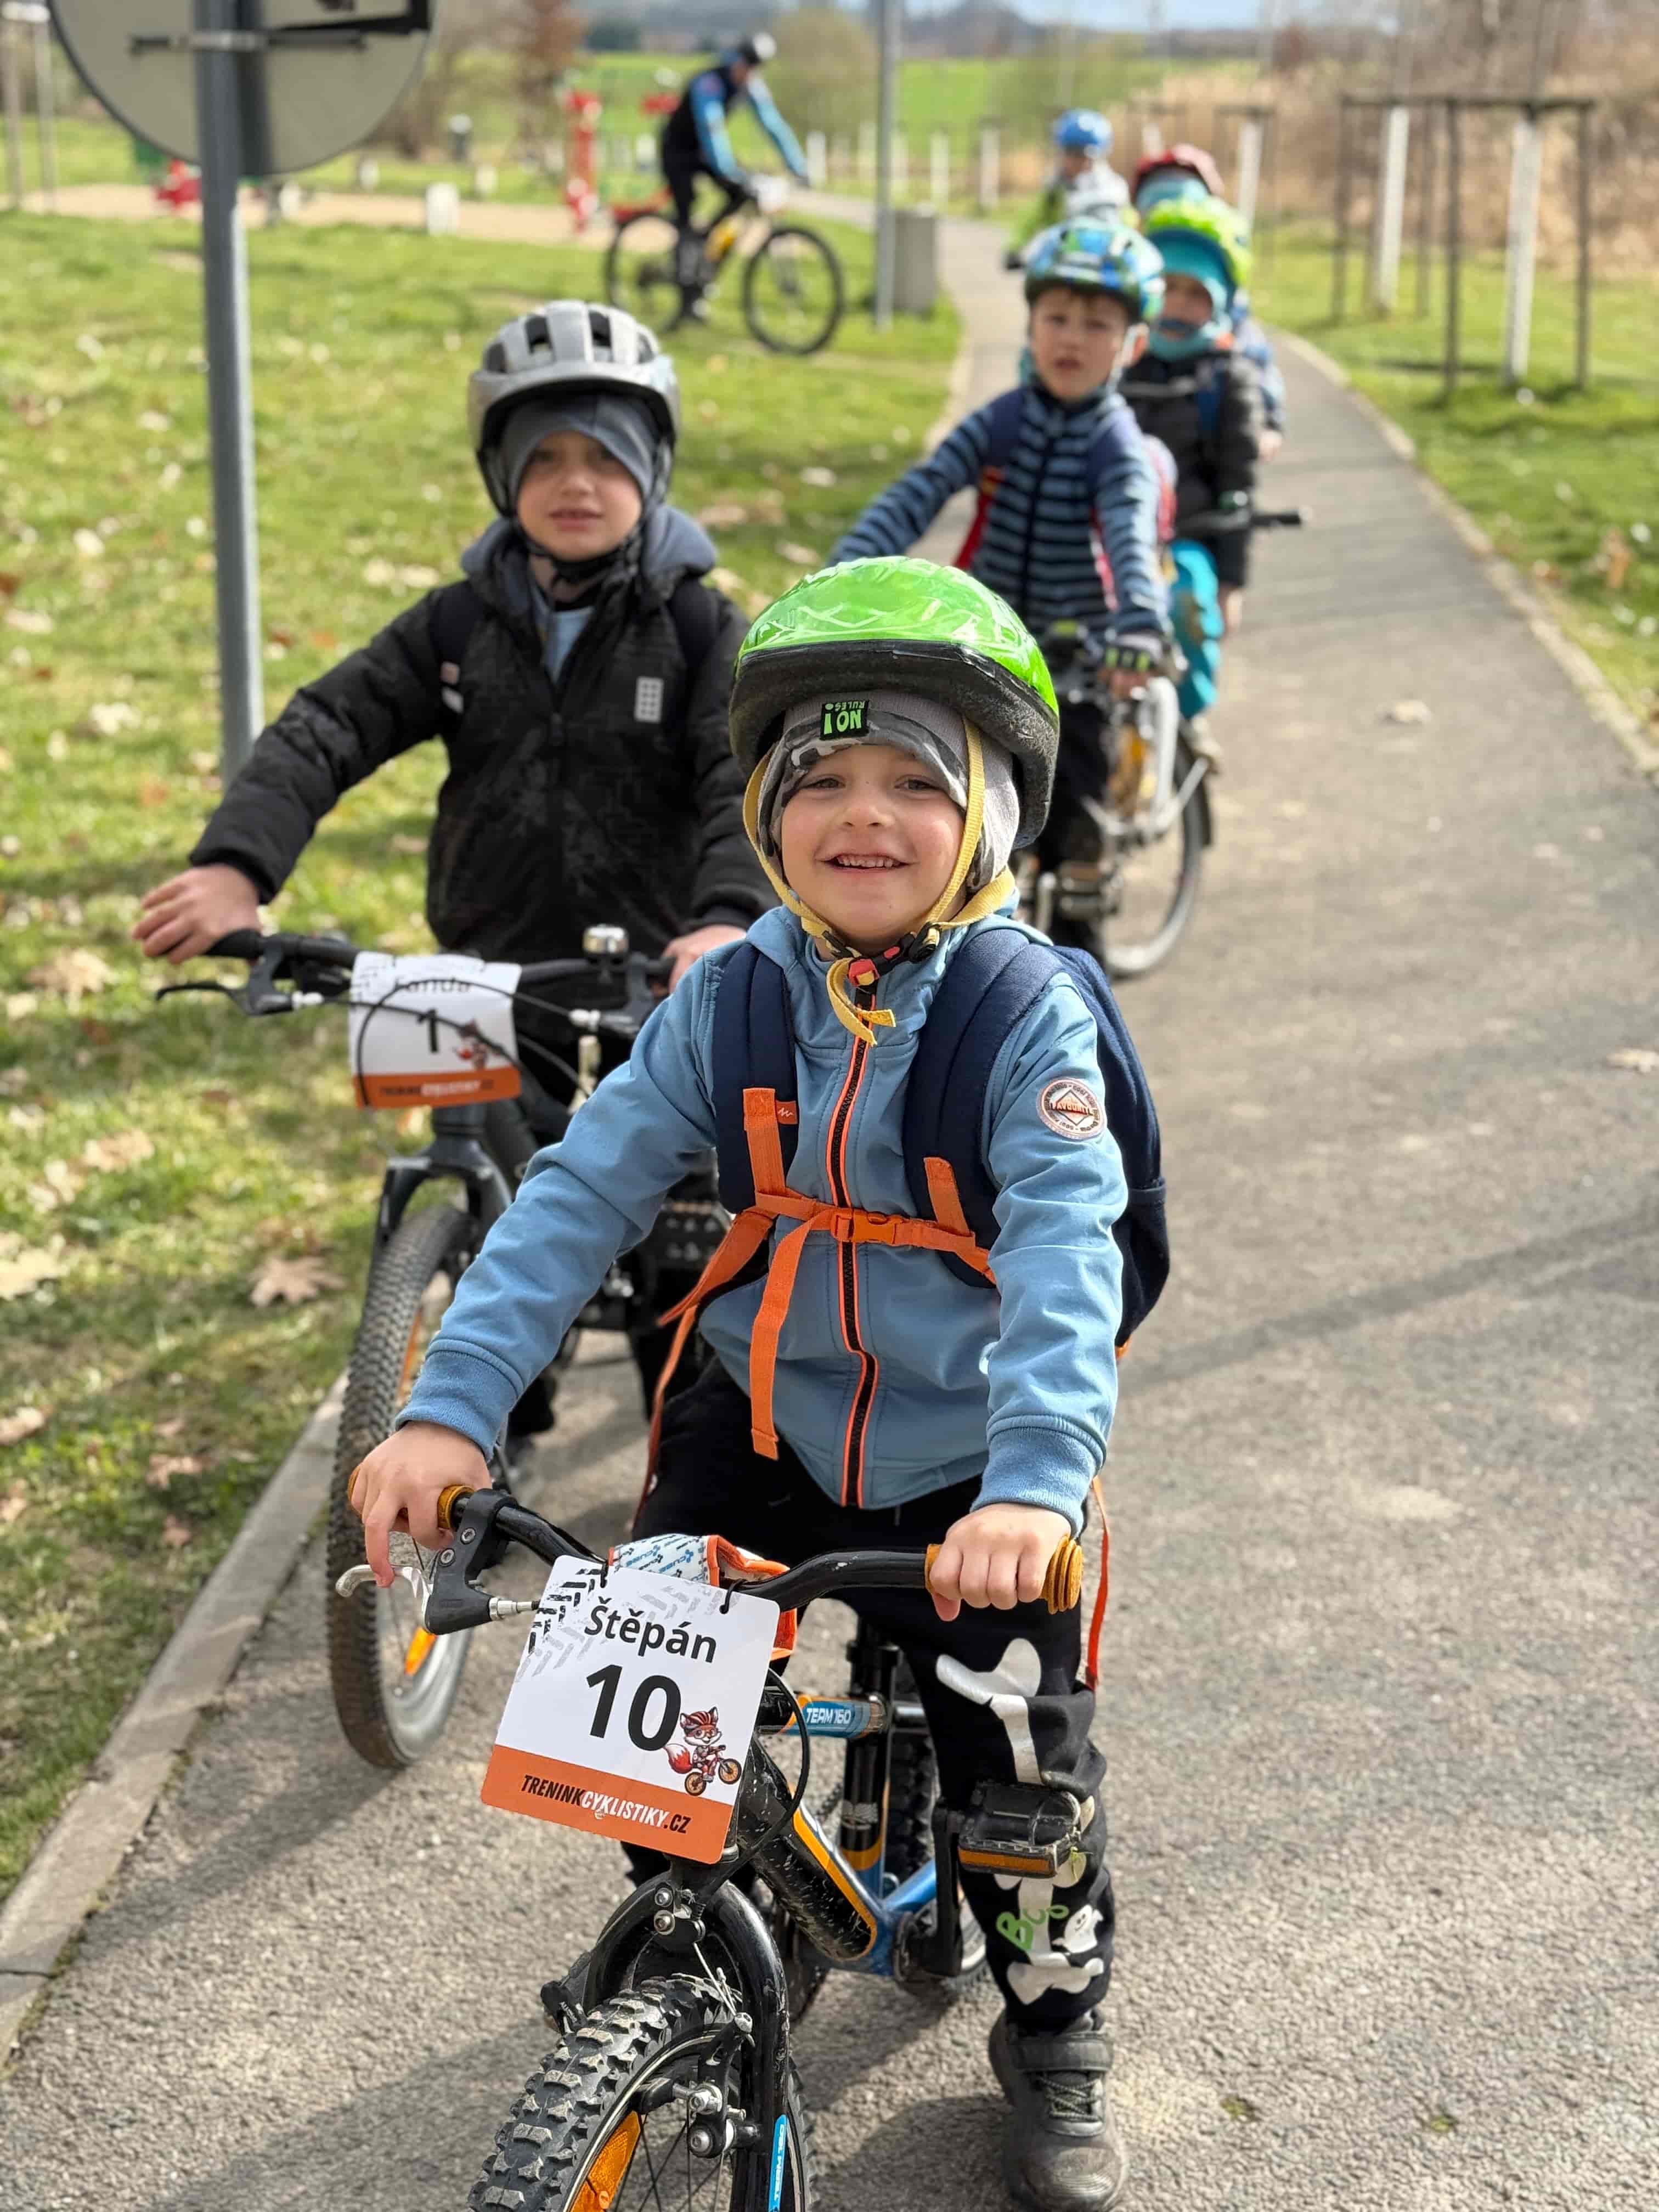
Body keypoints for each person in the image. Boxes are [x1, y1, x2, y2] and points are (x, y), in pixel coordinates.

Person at [350, 557, 1147, 2212]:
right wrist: (448, 1404)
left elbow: (1070, 1248)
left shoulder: (1022, 1013)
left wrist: (1037, 1480)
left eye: (916, 784)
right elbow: (579, 1192)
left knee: (1016, 1785)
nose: (864, 818)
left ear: (988, 816)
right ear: (769, 815)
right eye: (820, 782)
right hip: (757, 1412)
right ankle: (720, 1923)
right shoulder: (728, 997)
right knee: (651, 1729)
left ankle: (1057, 2026)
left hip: (970, 1452)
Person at [134, 299, 772, 1420]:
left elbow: (740, 782)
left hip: (662, 964)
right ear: (500, 477)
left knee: (680, 1216)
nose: (576, 483)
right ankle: (489, 1426)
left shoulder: (698, 631)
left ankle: (691, 1436)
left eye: (606, 460)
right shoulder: (455, 627)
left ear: (655, 471)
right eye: (546, 460)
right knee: (494, 1196)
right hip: (487, 957)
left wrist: (722, 917)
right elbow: (325, 729)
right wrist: (239, 865)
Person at [830, 219, 1171, 949]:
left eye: (1096, 324)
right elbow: (919, 492)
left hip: (1076, 654)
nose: (1070, 338)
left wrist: (1139, 616)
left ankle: (1080, 979)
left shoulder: (1117, 448)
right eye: (1055, 318)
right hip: (983, 648)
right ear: (1030, 326)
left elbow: (1130, 530)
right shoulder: (1002, 423)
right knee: (962, 821)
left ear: (1133, 345)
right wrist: (846, 570)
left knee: (1077, 807)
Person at [1119, 195, 1263, 733]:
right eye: (1168, 289)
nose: (1178, 306)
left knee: (1190, 606)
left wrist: (1232, 582)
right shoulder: (1116, 360)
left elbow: (1239, 485)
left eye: (1196, 294)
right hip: (1108, 539)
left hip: (1186, 539)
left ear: (1221, 303)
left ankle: (1186, 726)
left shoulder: (1228, 379)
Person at [1130, 145, 1286, 456]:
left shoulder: (1227, 317)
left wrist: (1269, 420)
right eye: (1155, 207)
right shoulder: (1132, 269)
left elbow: (1255, 360)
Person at [659, 31, 809, 309]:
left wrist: (798, 166)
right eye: (747, 65)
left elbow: (773, 125)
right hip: (677, 151)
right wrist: (728, 169)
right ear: (737, 60)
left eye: (755, 68)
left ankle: (707, 266)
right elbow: (711, 127)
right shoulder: (710, 82)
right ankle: (685, 294)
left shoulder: (752, 85)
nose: (749, 73)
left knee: (741, 196)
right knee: (687, 213)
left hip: (703, 153)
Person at [1006, 109, 1131, 267]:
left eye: (1086, 156)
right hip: (1059, 263)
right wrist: (1016, 248)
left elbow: (1127, 223)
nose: (1079, 162)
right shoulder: (1055, 188)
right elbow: (1034, 220)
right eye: (1073, 155)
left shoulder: (1114, 189)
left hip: (1102, 266)